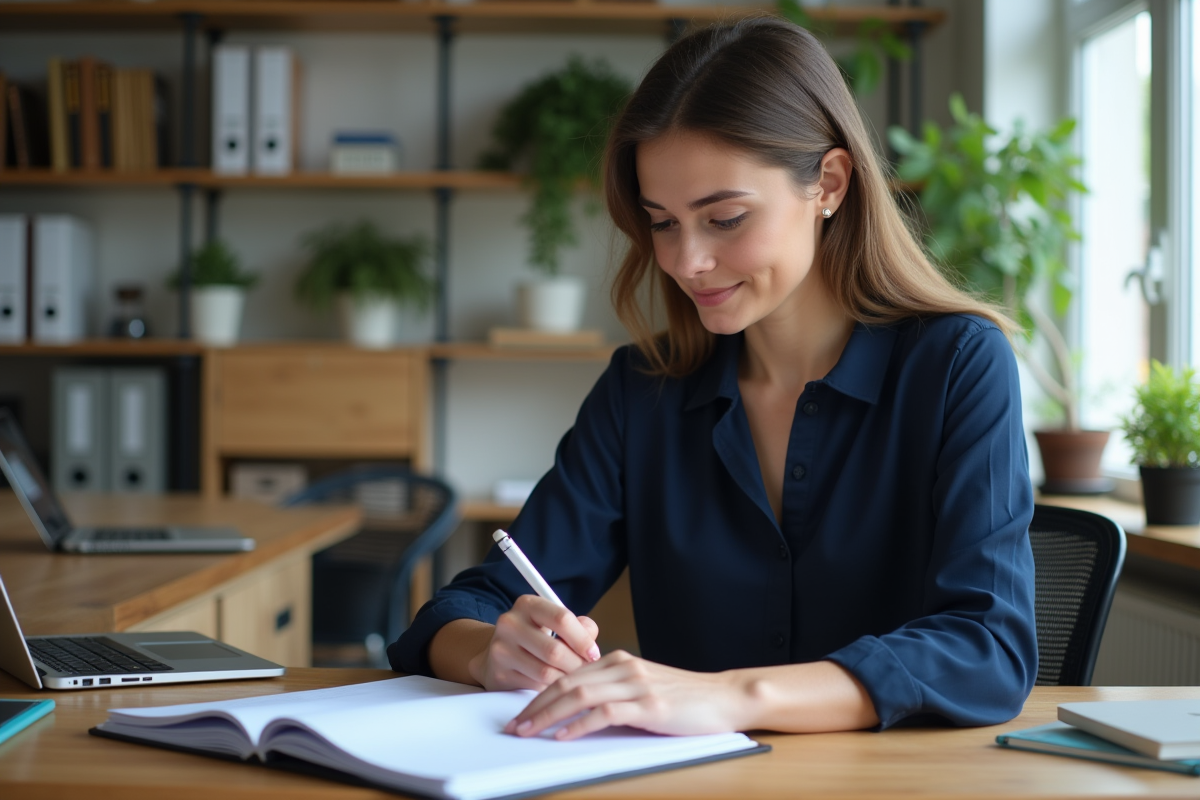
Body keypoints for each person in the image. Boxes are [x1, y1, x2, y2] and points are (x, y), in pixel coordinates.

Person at [390, 16, 1037, 740]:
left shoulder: (955, 364)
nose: (685, 260)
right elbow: (463, 610)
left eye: (724, 218)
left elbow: (988, 648)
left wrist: (733, 697)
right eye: (662, 222)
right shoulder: (644, 388)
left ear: (829, 183)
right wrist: (494, 651)